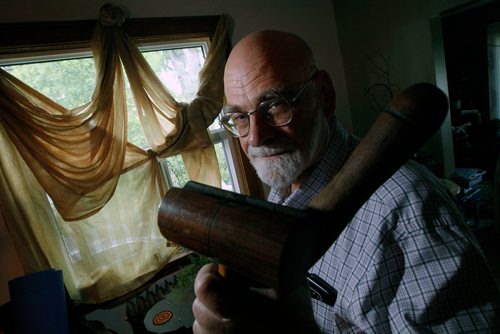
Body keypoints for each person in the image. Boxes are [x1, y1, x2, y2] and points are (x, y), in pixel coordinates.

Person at [191, 30, 500, 333]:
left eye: (275, 104)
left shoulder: (410, 212)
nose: (256, 137)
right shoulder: (283, 186)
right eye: (240, 118)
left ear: (324, 95)